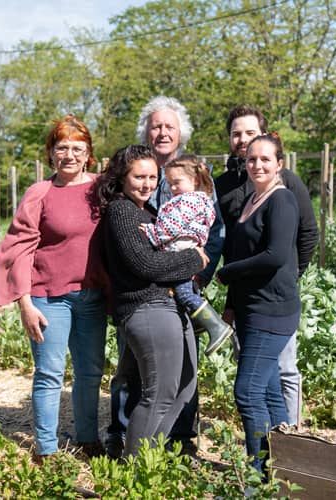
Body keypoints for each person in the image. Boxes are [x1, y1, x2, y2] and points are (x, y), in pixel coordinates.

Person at [106, 96, 225, 458]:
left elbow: (213, 233)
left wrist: (196, 274)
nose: (162, 132)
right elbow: (143, 259)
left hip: (179, 290)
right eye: (156, 126)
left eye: (169, 126)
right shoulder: (127, 202)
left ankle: (174, 442)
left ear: (180, 134)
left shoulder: (191, 174)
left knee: (179, 380)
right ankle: (125, 440)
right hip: (143, 299)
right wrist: (186, 261)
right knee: (137, 377)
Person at [0, 115, 108, 459]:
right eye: (62, 148)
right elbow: (19, 249)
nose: (69, 155)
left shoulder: (102, 189)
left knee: (90, 373)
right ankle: (46, 448)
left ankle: (88, 438)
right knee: (49, 374)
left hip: (92, 298)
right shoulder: (40, 193)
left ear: (89, 154)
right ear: (50, 153)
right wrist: (25, 304)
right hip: (47, 299)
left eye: (77, 149)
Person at [96, 144, 207, 457]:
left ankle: (151, 455)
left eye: (152, 177)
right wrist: (194, 259)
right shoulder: (122, 211)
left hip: (169, 306)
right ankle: (136, 470)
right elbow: (146, 265)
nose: (146, 183)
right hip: (147, 307)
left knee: (184, 388)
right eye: (138, 177)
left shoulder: (146, 212)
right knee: (160, 393)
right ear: (122, 177)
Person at [214, 104, 318, 426]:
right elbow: (229, 243)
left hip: (273, 299)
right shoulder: (225, 186)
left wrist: (288, 273)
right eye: (236, 134)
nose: (243, 139)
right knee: (265, 376)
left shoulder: (285, 183)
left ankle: (292, 435)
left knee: (282, 370)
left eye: (250, 133)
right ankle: (275, 446)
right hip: (246, 298)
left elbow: (307, 234)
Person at [216, 133, 300, 474]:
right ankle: (286, 468)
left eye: (265, 159)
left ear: (279, 164)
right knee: (267, 393)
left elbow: (276, 255)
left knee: (247, 392)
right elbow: (241, 251)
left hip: (272, 310)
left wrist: (228, 273)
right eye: (252, 159)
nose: (257, 164)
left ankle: (257, 474)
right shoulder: (252, 198)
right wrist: (232, 303)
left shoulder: (281, 201)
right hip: (250, 310)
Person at [140, 154, 233, 356]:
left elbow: (170, 228)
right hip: (186, 249)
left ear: (195, 180)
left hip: (181, 249)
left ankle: (216, 326)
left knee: (184, 293)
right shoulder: (199, 200)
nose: (173, 188)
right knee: (183, 292)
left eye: (177, 183)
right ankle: (198, 324)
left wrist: (149, 232)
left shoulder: (188, 202)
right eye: (170, 184)